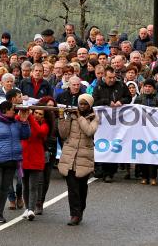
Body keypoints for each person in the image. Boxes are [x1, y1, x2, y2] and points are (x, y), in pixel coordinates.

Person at [58, 93, 98, 226]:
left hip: (84, 156)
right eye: (80, 103)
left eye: (85, 104)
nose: (82, 106)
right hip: (70, 155)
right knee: (72, 187)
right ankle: (74, 214)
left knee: (81, 187)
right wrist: (62, 118)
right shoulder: (71, 115)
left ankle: (80, 210)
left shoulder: (94, 117)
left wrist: (80, 117)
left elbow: (89, 131)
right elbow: (63, 134)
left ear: (89, 105)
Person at [21, 108, 49, 221]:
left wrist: (31, 117)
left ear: (43, 117)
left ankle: (31, 209)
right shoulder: (26, 121)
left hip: (36, 159)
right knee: (25, 186)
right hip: (23, 158)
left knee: (33, 186)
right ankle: (27, 208)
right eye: (35, 113)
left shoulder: (45, 126)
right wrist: (23, 113)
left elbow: (40, 132)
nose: (37, 115)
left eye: (40, 114)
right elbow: (17, 118)